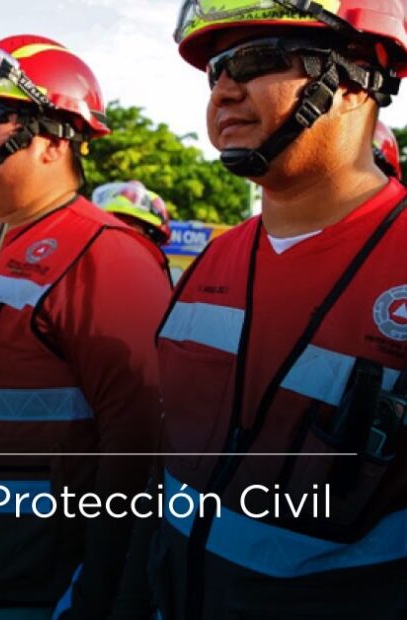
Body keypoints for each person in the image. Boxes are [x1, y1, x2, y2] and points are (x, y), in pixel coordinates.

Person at [0, 34, 171, 619]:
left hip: (28, 591)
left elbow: (140, 450)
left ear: (52, 141)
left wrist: (98, 592)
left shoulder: (107, 256)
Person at [151, 2, 407, 618]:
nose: (223, 91)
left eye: (256, 60)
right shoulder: (212, 261)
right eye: (215, 70)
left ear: (355, 81)